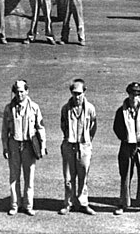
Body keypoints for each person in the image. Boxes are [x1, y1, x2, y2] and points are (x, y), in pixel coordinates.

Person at [1, 79, 46, 216]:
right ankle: (15, 205)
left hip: (28, 145)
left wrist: (43, 146)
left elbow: (40, 127)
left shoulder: (34, 107)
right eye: (17, 92)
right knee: (14, 177)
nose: (19, 95)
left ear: (27, 91)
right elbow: (4, 130)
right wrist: (5, 147)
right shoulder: (9, 108)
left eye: (22, 91)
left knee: (29, 177)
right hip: (14, 144)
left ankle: (28, 205)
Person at [112, 82, 140, 216]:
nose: (134, 98)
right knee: (125, 174)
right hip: (127, 146)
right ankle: (123, 203)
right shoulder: (121, 111)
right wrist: (125, 138)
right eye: (132, 94)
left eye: (137, 95)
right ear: (128, 94)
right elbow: (117, 127)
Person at [58, 78, 97, 216]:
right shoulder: (65, 109)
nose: (77, 96)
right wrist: (69, 139)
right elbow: (63, 126)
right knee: (69, 178)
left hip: (84, 146)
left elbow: (93, 127)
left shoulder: (90, 108)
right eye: (74, 93)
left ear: (84, 92)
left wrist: (87, 141)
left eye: (79, 93)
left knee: (83, 176)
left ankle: (83, 203)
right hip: (69, 146)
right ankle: (68, 203)